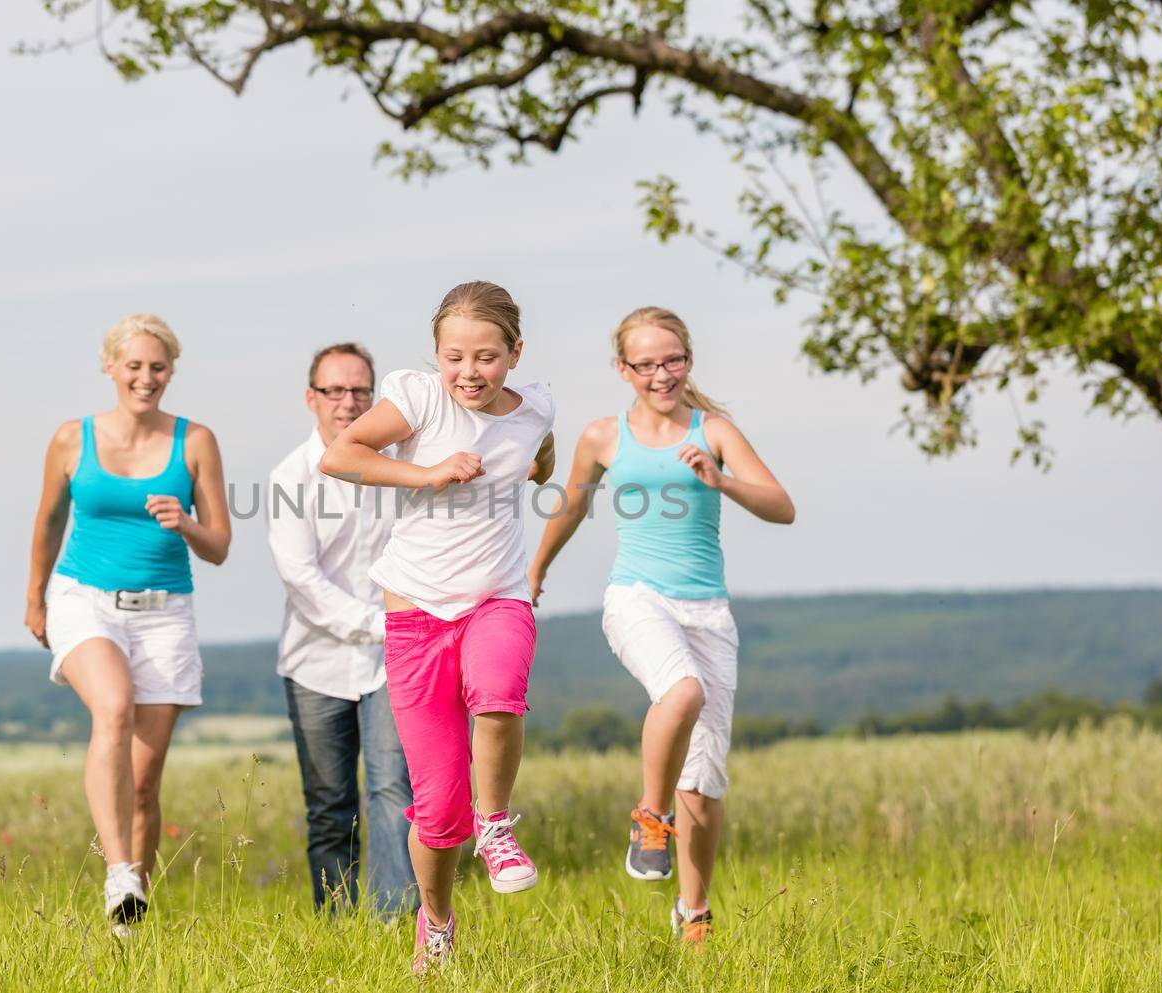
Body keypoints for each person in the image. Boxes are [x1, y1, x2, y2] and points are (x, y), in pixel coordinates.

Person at [528, 306, 794, 948]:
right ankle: (650, 818)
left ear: (688, 360)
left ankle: (694, 913)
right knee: (682, 692)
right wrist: (533, 572)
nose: (660, 373)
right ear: (624, 370)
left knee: (703, 779)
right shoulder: (603, 436)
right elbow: (570, 506)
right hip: (636, 598)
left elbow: (782, 508)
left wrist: (720, 479)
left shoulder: (714, 431)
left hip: (708, 612)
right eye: (645, 363)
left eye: (671, 359)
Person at [318, 281, 555, 971]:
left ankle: (498, 824)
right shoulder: (420, 399)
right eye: (454, 356)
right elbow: (341, 453)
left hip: (498, 597)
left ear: (515, 352)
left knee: (499, 687)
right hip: (416, 613)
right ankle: (439, 918)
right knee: (436, 812)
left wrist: (539, 468)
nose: (469, 372)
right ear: (435, 355)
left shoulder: (535, 405)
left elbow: (540, 447)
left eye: (486, 356)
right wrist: (425, 474)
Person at [24, 313, 231, 936]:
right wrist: (35, 600)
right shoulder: (71, 438)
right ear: (110, 366)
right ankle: (119, 871)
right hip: (84, 597)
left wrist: (186, 523)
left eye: (158, 367)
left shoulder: (195, 443)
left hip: (165, 611)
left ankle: (128, 926)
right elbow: (48, 523)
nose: (146, 378)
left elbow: (219, 545)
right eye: (134, 366)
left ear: (172, 371)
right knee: (111, 707)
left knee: (143, 785)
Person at [265, 342, 417, 917]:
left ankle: (395, 921)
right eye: (335, 391)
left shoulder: (397, 465)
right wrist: (385, 623)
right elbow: (302, 582)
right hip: (316, 661)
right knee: (330, 804)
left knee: (392, 791)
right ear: (312, 398)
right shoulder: (288, 477)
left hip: (394, 658)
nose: (349, 402)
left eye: (360, 390)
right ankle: (337, 924)